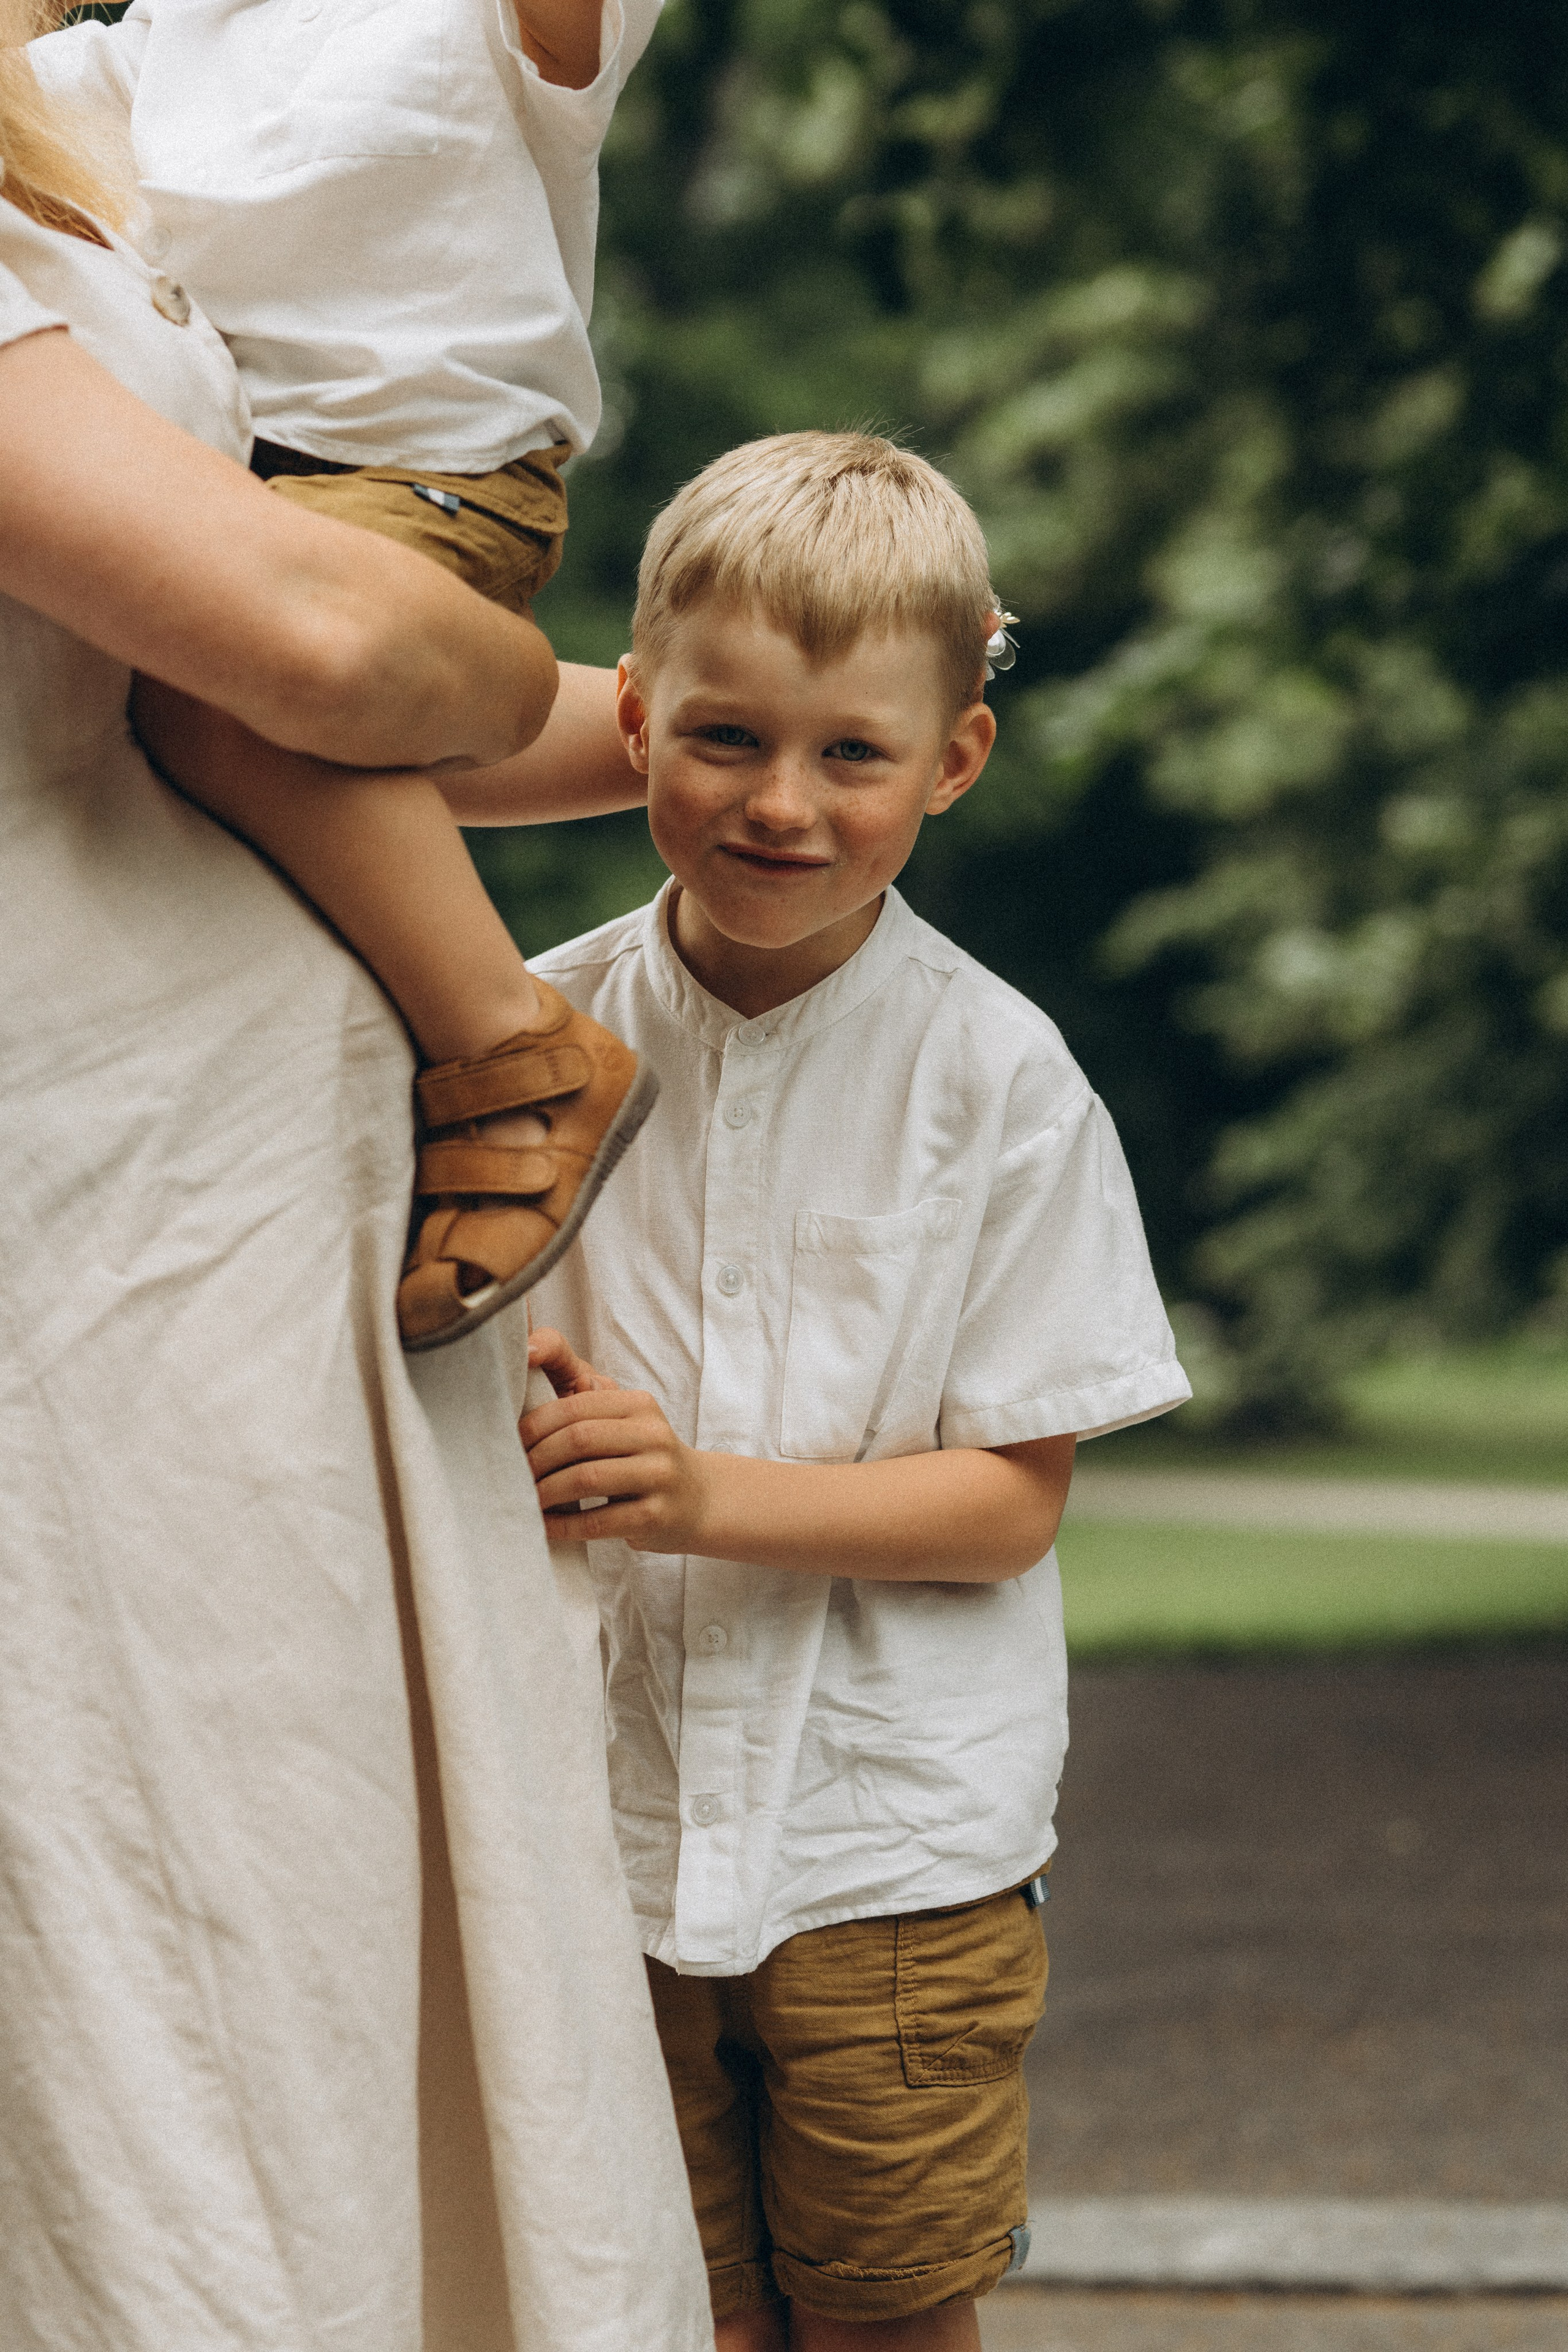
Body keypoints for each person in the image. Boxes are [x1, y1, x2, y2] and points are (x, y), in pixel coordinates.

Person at [0, 20, 711, 2349]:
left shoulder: (93, 138)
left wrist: (749, 735)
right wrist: (419, 642)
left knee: (311, 1953)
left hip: (277, 1225)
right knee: (158, 1975)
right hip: (88, 1237)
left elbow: (315, 690)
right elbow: (316, 640)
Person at [518, 432, 1193, 2351]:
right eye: (725, 739)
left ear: (954, 763)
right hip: (601, 1832)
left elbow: (1008, 1503)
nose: (781, 806)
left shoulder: (1000, 1078)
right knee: (664, 2310)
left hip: (889, 1857)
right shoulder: (528, 1037)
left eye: (853, 755)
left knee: (891, 2317)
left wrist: (700, 1491)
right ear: (633, 721)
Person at [29, 0, 667, 1349]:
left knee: (218, 690)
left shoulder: (472, 23)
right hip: (246, 492)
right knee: (242, 698)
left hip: (434, 481)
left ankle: (517, 1053)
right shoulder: (143, 51)